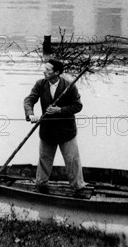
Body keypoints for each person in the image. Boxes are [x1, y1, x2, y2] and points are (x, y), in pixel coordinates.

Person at [24, 59, 86, 196]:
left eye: (48, 70)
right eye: (44, 69)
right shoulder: (40, 84)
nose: (44, 71)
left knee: (72, 160)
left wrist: (60, 110)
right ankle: (41, 185)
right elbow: (29, 100)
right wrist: (31, 114)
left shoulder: (69, 86)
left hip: (66, 131)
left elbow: (78, 106)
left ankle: (78, 187)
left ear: (57, 72)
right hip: (47, 130)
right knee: (44, 159)